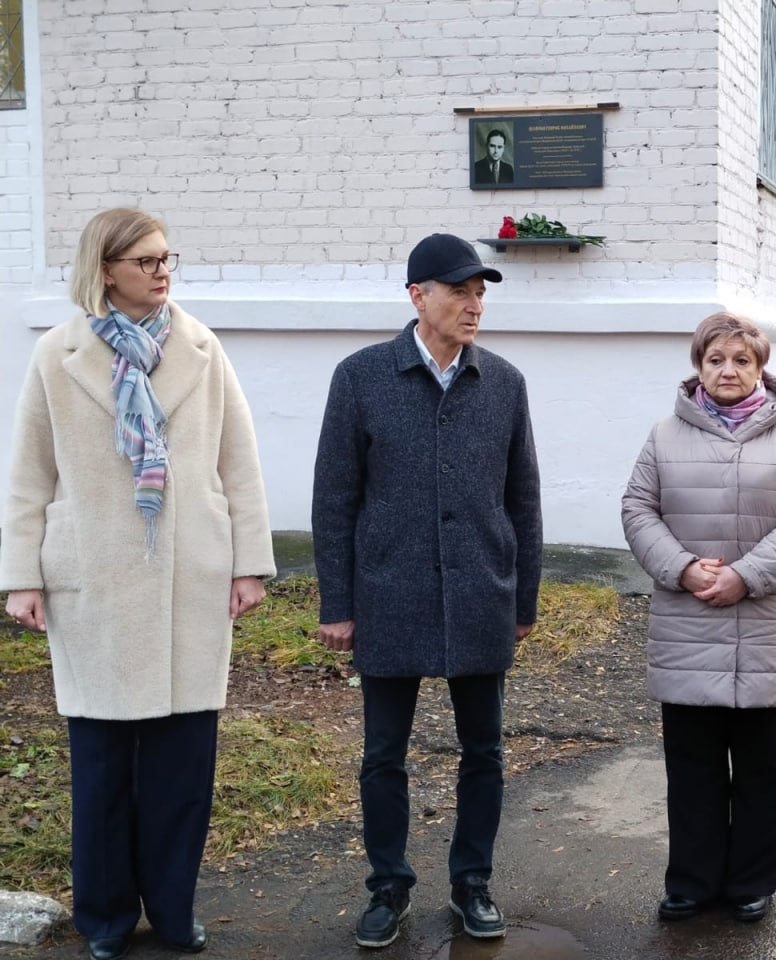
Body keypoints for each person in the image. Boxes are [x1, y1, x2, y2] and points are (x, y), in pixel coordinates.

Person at [0, 208, 275, 960]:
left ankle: (176, 910)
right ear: (107, 269)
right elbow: (29, 474)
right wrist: (22, 575)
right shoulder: (56, 356)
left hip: (190, 575)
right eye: (146, 260)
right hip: (95, 577)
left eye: (166, 257)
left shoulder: (200, 347)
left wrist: (249, 562)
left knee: (183, 767)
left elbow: (237, 460)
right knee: (102, 769)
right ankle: (107, 919)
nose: (162, 271)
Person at [312, 233, 542, 947]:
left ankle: (473, 882)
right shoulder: (361, 377)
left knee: (486, 751)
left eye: (481, 293)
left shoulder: (503, 382)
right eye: (460, 292)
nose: (475, 305)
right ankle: (388, 887)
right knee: (384, 754)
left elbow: (523, 499)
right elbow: (334, 498)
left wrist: (523, 599)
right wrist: (338, 604)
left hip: (480, 592)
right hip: (389, 593)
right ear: (419, 296)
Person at [621, 312, 776, 925]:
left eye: (742, 360)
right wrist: (683, 569)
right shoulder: (665, 435)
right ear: (699, 367)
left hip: (762, 623)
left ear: (761, 366)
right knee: (692, 765)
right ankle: (691, 880)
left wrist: (746, 575)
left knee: (761, 766)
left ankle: (751, 880)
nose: (728, 370)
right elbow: (638, 509)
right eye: (716, 360)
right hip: (687, 621)